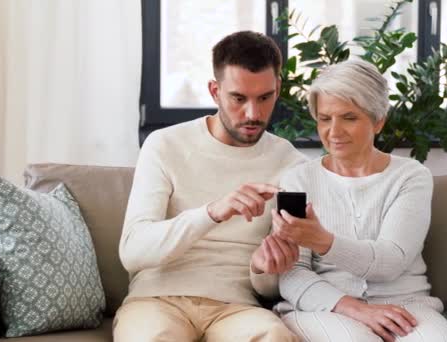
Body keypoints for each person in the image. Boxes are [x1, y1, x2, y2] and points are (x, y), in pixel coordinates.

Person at [113, 31, 306, 341]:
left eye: (265, 98)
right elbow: (133, 252)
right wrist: (212, 213)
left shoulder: (291, 164)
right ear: (215, 91)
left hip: (238, 308)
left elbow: (272, 287)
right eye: (238, 98)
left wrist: (264, 268)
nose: (253, 114)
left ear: (277, 89)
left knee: (274, 336)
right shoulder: (164, 145)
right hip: (157, 302)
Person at [271, 59, 447, 342]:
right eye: (325, 119)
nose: (334, 132)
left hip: (406, 306)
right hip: (325, 308)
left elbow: (391, 260)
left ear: (378, 120)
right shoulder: (297, 180)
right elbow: (291, 274)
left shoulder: (411, 176)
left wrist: (324, 241)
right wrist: (355, 308)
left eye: (349, 117)